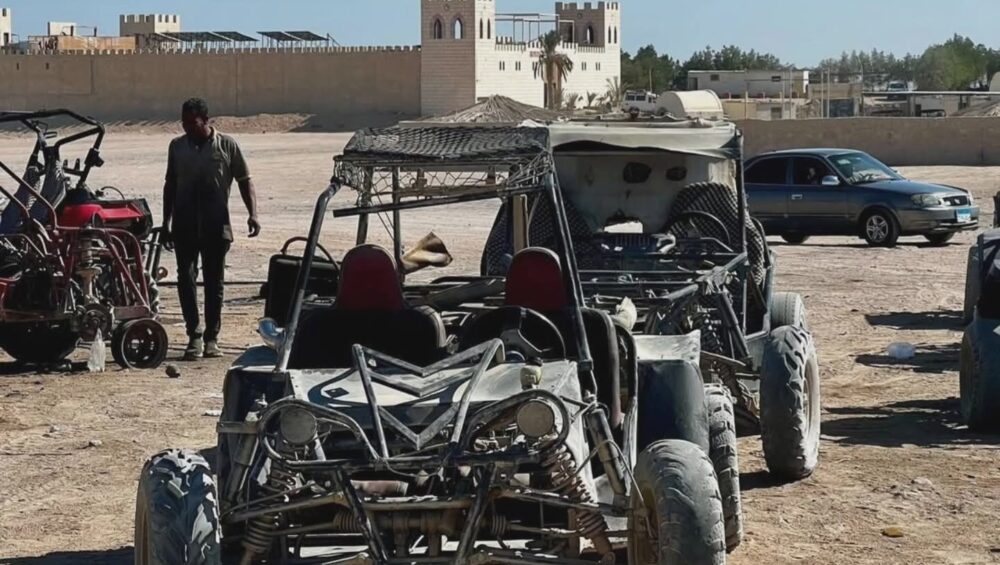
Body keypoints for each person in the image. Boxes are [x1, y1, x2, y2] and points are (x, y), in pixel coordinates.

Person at [162, 98, 260, 360]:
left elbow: (244, 180)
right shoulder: (177, 147)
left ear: (206, 120)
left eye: (192, 123)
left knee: (214, 283)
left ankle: (211, 338)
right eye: (184, 123)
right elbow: (170, 184)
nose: (187, 128)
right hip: (184, 225)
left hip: (216, 226)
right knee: (186, 279)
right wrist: (165, 223)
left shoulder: (227, 145)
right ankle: (193, 335)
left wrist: (253, 214)